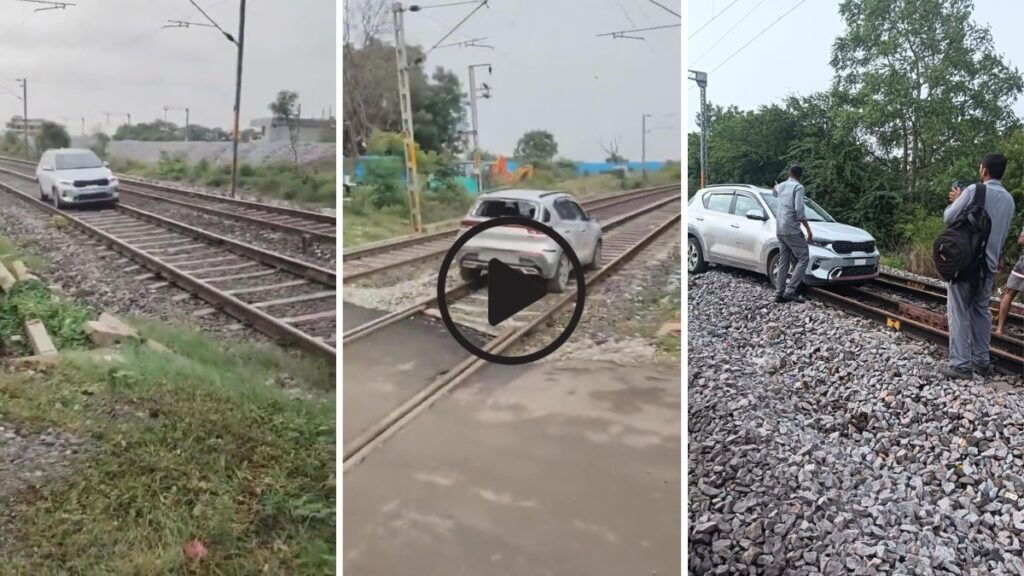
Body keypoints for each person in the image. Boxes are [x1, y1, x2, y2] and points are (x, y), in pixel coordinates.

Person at [942, 153, 1016, 379]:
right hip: (989, 267)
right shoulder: (1010, 200)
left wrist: (957, 201)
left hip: (965, 264)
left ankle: (960, 365)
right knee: (981, 312)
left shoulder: (974, 191)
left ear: (984, 170)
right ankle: (981, 362)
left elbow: (949, 218)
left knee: (958, 311)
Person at [773, 164, 813, 303]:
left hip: (779, 228)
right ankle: (790, 291)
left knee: (784, 260)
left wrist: (776, 185)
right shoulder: (798, 187)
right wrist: (808, 230)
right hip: (792, 228)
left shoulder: (781, 186)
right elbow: (799, 211)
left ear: (789, 173)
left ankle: (779, 293)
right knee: (804, 258)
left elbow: (775, 191)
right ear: (800, 176)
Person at [995, 224, 1024, 336]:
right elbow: (1021, 240)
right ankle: (1000, 328)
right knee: (1009, 294)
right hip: (1021, 267)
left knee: (1008, 295)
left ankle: (1000, 328)